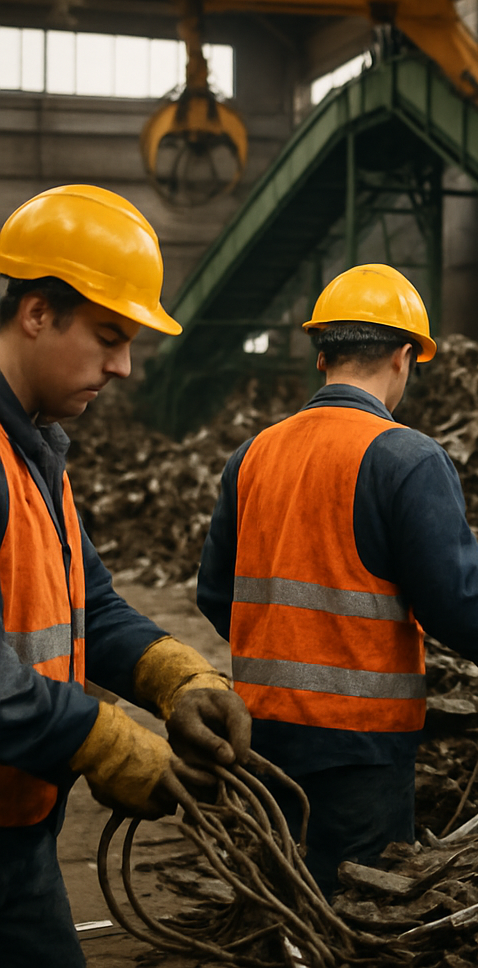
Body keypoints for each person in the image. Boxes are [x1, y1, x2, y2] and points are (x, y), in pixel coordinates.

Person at [196, 262, 478, 896]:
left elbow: (215, 592)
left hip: (263, 731)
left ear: (322, 358)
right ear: (403, 355)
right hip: (360, 746)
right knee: (359, 908)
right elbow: (456, 607)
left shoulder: (250, 455)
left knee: (285, 896)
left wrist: (288, 650)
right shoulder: (408, 459)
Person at [0, 184, 252, 967]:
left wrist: (177, 677)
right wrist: (98, 739)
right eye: (109, 335)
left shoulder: (34, 448)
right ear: (38, 312)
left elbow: (92, 606)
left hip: (19, 832)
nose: (125, 365)